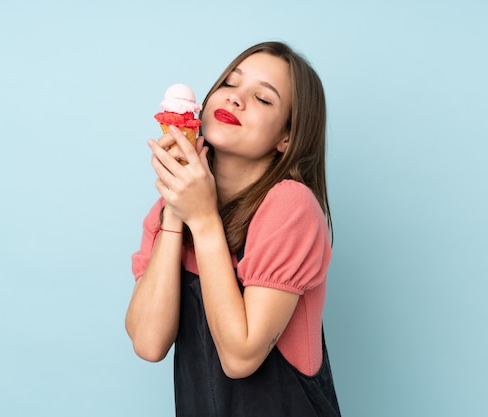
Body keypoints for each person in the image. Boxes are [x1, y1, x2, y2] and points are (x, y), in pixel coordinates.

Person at [125, 41, 342, 417]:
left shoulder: (290, 205)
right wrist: (177, 212)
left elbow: (240, 357)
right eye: (229, 83)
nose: (236, 100)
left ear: (286, 138)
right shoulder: (168, 208)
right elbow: (148, 342)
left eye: (263, 99)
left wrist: (204, 220)